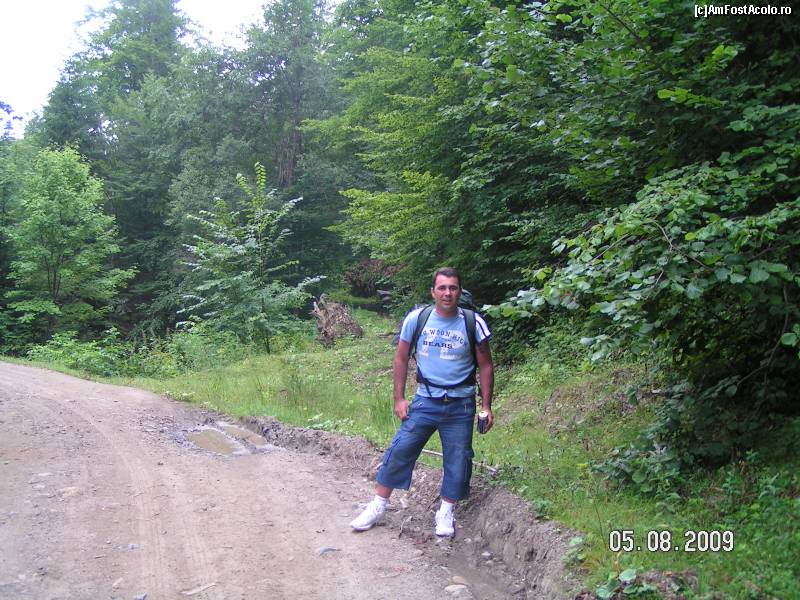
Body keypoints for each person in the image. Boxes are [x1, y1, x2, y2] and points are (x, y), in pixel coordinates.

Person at [350, 267, 494, 537]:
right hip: (425, 400)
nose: (447, 293)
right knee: (401, 449)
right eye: (442, 288)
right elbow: (401, 357)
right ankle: (378, 505)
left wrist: (486, 406)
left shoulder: (473, 323)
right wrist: (399, 398)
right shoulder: (417, 319)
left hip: (461, 404)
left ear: (459, 291)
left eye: (453, 288)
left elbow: (486, 365)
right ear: (433, 292)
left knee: (458, 459)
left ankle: (446, 512)